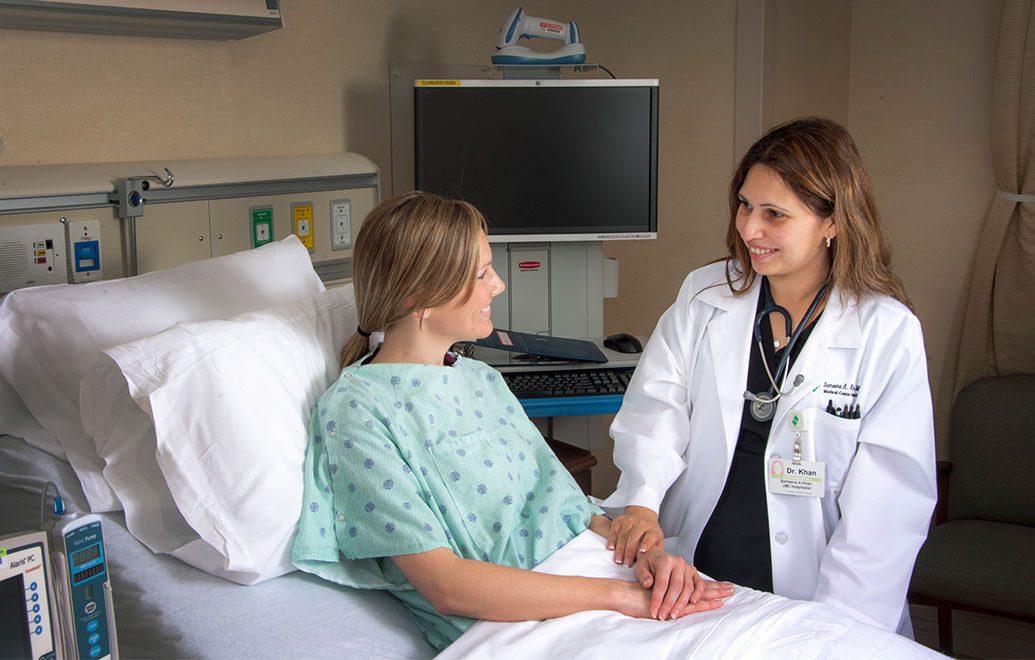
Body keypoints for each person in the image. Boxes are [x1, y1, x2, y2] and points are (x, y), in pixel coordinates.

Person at [291, 191, 732, 652]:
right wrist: (620, 597)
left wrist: (651, 557)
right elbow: (447, 587)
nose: (497, 285)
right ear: (418, 296)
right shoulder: (358, 408)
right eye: (481, 274)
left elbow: (575, 510)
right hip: (523, 618)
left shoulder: (481, 378)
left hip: (598, 571)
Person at [599, 117, 937, 636]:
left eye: (774, 214)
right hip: (695, 570)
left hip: (820, 592)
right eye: (744, 205)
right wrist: (642, 502)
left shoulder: (885, 332)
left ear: (833, 221)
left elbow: (887, 511)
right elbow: (656, 407)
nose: (749, 229)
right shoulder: (706, 294)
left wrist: (835, 630)